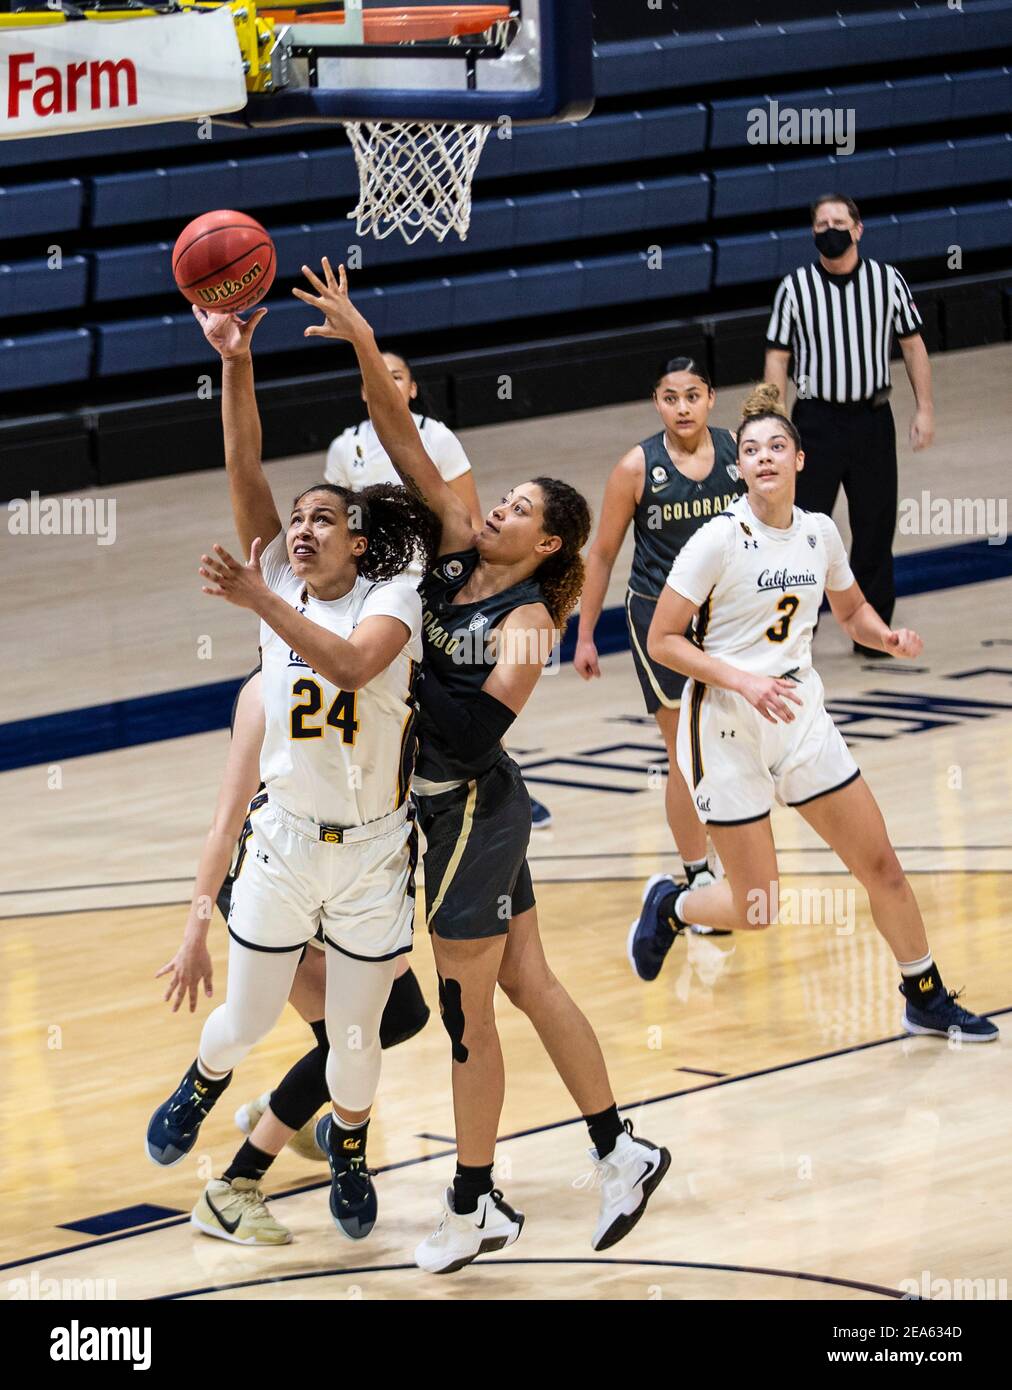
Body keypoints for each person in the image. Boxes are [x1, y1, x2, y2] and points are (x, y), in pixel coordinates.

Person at [293, 257, 672, 1274]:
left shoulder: (531, 624)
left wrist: (396, 680)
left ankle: (473, 1201)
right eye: (498, 498)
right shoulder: (455, 549)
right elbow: (401, 435)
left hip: (469, 808)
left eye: (517, 508)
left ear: (549, 541)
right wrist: (367, 342)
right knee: (530, 984)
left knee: (467, 1012)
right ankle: (619, 1146)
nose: (494, 508)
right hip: (473, 812)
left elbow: (466, 738)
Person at [145, 302, 439, 1246]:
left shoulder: (390, 596)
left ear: (357, 541)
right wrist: (235, 362)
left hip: (369, 858)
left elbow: (352, 669)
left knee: (358, 1047)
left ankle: (346, 1144)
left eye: (325, 517)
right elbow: (245, 465)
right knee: (239, 1022)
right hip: (282, 847)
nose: (303, 527)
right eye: (297, 519)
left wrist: (262, 595)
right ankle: (203, 1084)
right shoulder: (274, 573)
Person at [627, 383, 997, 1045]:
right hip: (726, 725)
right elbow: (662, 641)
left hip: (800, 715)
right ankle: (674, 905)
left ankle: (925, 994)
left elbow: (849, 611)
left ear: (800, 460)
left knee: (880, 862)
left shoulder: (820, 532)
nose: (763, 456)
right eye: (750, 449)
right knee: (756, 906)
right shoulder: (717, 540)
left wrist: (883, 636)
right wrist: (742, 678)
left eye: (776, 446)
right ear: (738, 467)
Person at [155, 665, 430, 1246]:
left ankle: (291, 1116)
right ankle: (231, 1179)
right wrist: (194, 933)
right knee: (329, 1035)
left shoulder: (384, 654)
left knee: (399, 1015)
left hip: (352, 871)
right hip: (274, 867)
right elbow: (224, 822)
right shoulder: (272, 684)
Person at [327, 348, 554, 831]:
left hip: (431, 575)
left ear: (411, 388)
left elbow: (466, 514)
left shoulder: (437, 437)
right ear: (365, 389)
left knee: (465, 684)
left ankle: (492, 784)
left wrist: (465, 574)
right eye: (378, 377)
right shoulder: (344, 447)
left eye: (398, 376)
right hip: (380, 584)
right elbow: (338, 522)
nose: (388, 385)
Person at [574, 357, 743, 923]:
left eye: (692, 396)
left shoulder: (741, 454)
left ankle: (731, 854)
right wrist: (587, 633)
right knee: (684, 751)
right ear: (657, 402)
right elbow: (601, 553)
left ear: (711, 399)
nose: (683, 407)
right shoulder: (635, 466)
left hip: (725, 618)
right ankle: (696, 873)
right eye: (671, 398)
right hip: (659, 621)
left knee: (727, 743)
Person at [765, 193, 935, 655]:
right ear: (813, 232)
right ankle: (796, 636)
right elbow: (777, 356)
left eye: (839, 221)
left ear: (858, 229)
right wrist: (775, 425)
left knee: (875, 525)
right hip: (814, 422)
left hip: (871, 419)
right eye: (822, 223)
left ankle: (876, 637)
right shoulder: (795, 287)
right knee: (802, 527)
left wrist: (924, 409)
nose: (831, 229)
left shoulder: (887, 281)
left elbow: (914, 345)